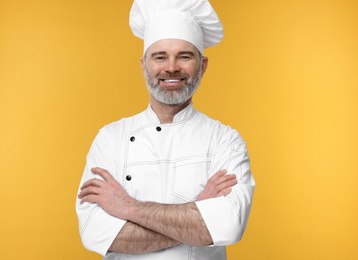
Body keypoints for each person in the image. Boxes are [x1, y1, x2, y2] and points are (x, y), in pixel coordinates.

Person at [76, 0, 255, 259]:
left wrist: (128, 208)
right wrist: (197, 212)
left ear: (202, 66)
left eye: (184, 56)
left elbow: (227, 225)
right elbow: (95, 233)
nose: (171, 67)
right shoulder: (110, 139)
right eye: (160, 57)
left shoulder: (225, 140)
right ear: (144, 65)